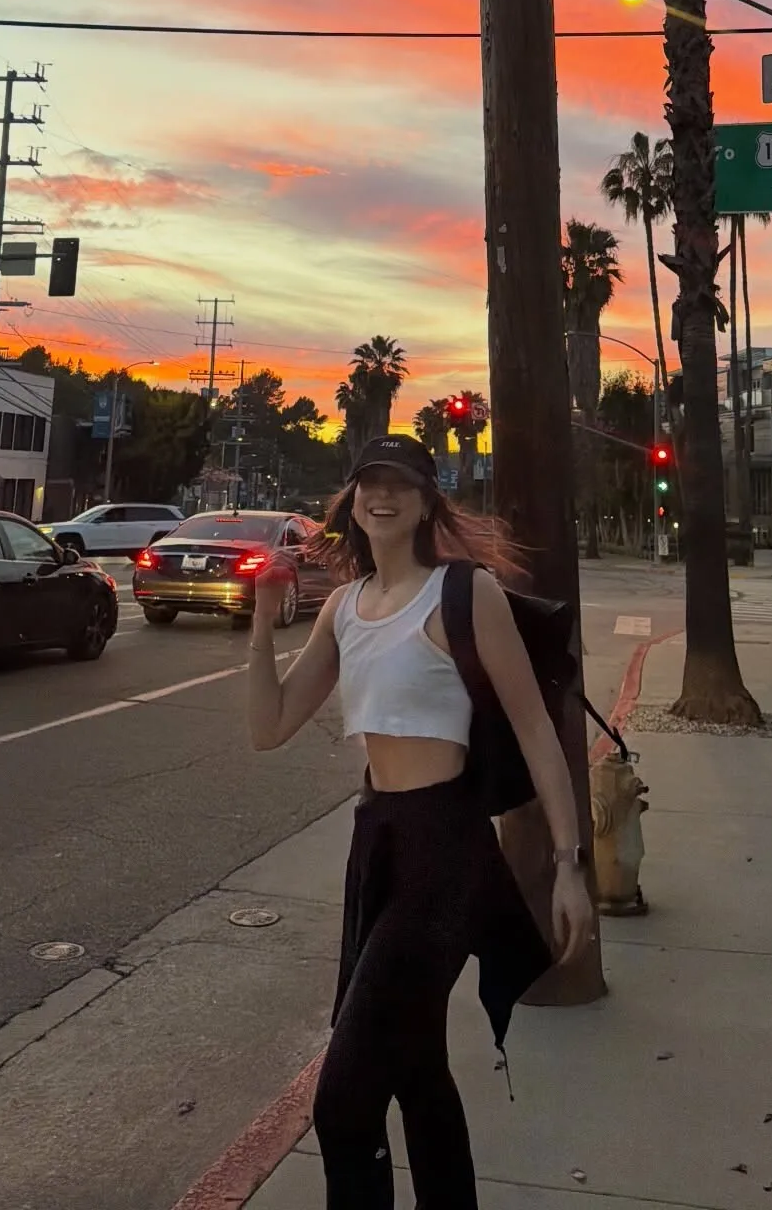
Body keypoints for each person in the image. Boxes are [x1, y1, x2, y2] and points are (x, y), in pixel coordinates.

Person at [247, 432, 594, 1209]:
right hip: (378, 843)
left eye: (401, 484)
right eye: (369, 483)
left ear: (428, 500)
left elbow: (537, 731)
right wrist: (264, 622)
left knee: (343, 1104)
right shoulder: (343, 608)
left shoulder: (465, 595)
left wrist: (569, 866)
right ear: (350, 500)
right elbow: (269, 727)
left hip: (446, 851)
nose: (383, 496)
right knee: (417, 1070)